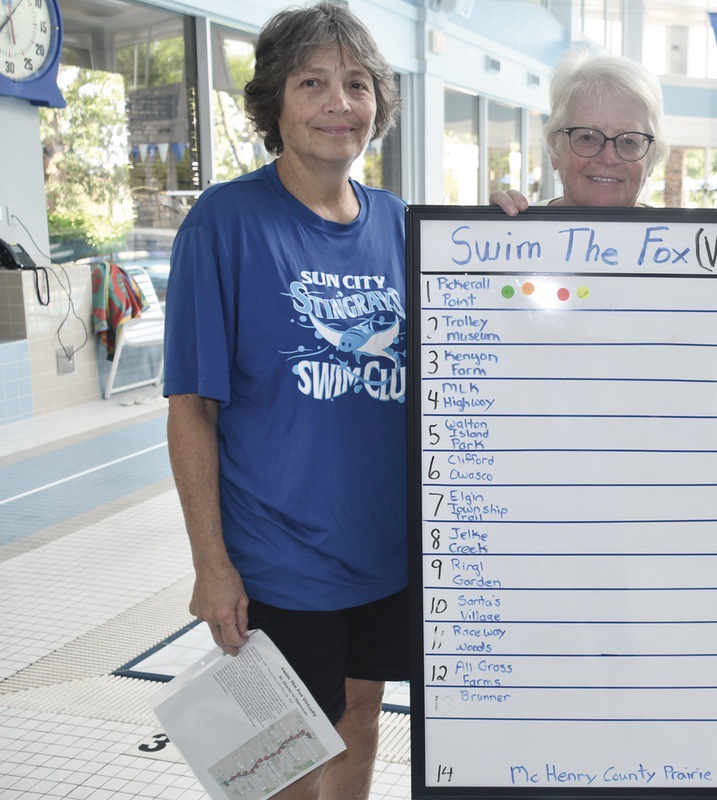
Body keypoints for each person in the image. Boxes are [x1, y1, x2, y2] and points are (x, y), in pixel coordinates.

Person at [163, 4, 407, 799]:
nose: (340, 102)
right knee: (286, 751)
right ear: (275, 103)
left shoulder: (403, 226)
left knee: (361, 717)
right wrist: (212, 565)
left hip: (386, 551)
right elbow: (192, 407)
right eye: (313, 83)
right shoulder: (225, 224)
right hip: (281, 559)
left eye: (357, 83)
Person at [491, 46, 668, 214]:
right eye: (587, 138)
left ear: (652, 157)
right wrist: (486, 228)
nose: (608, 159)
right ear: (555, 149)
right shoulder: (518, 233)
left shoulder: (682, 240)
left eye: (629, 141)